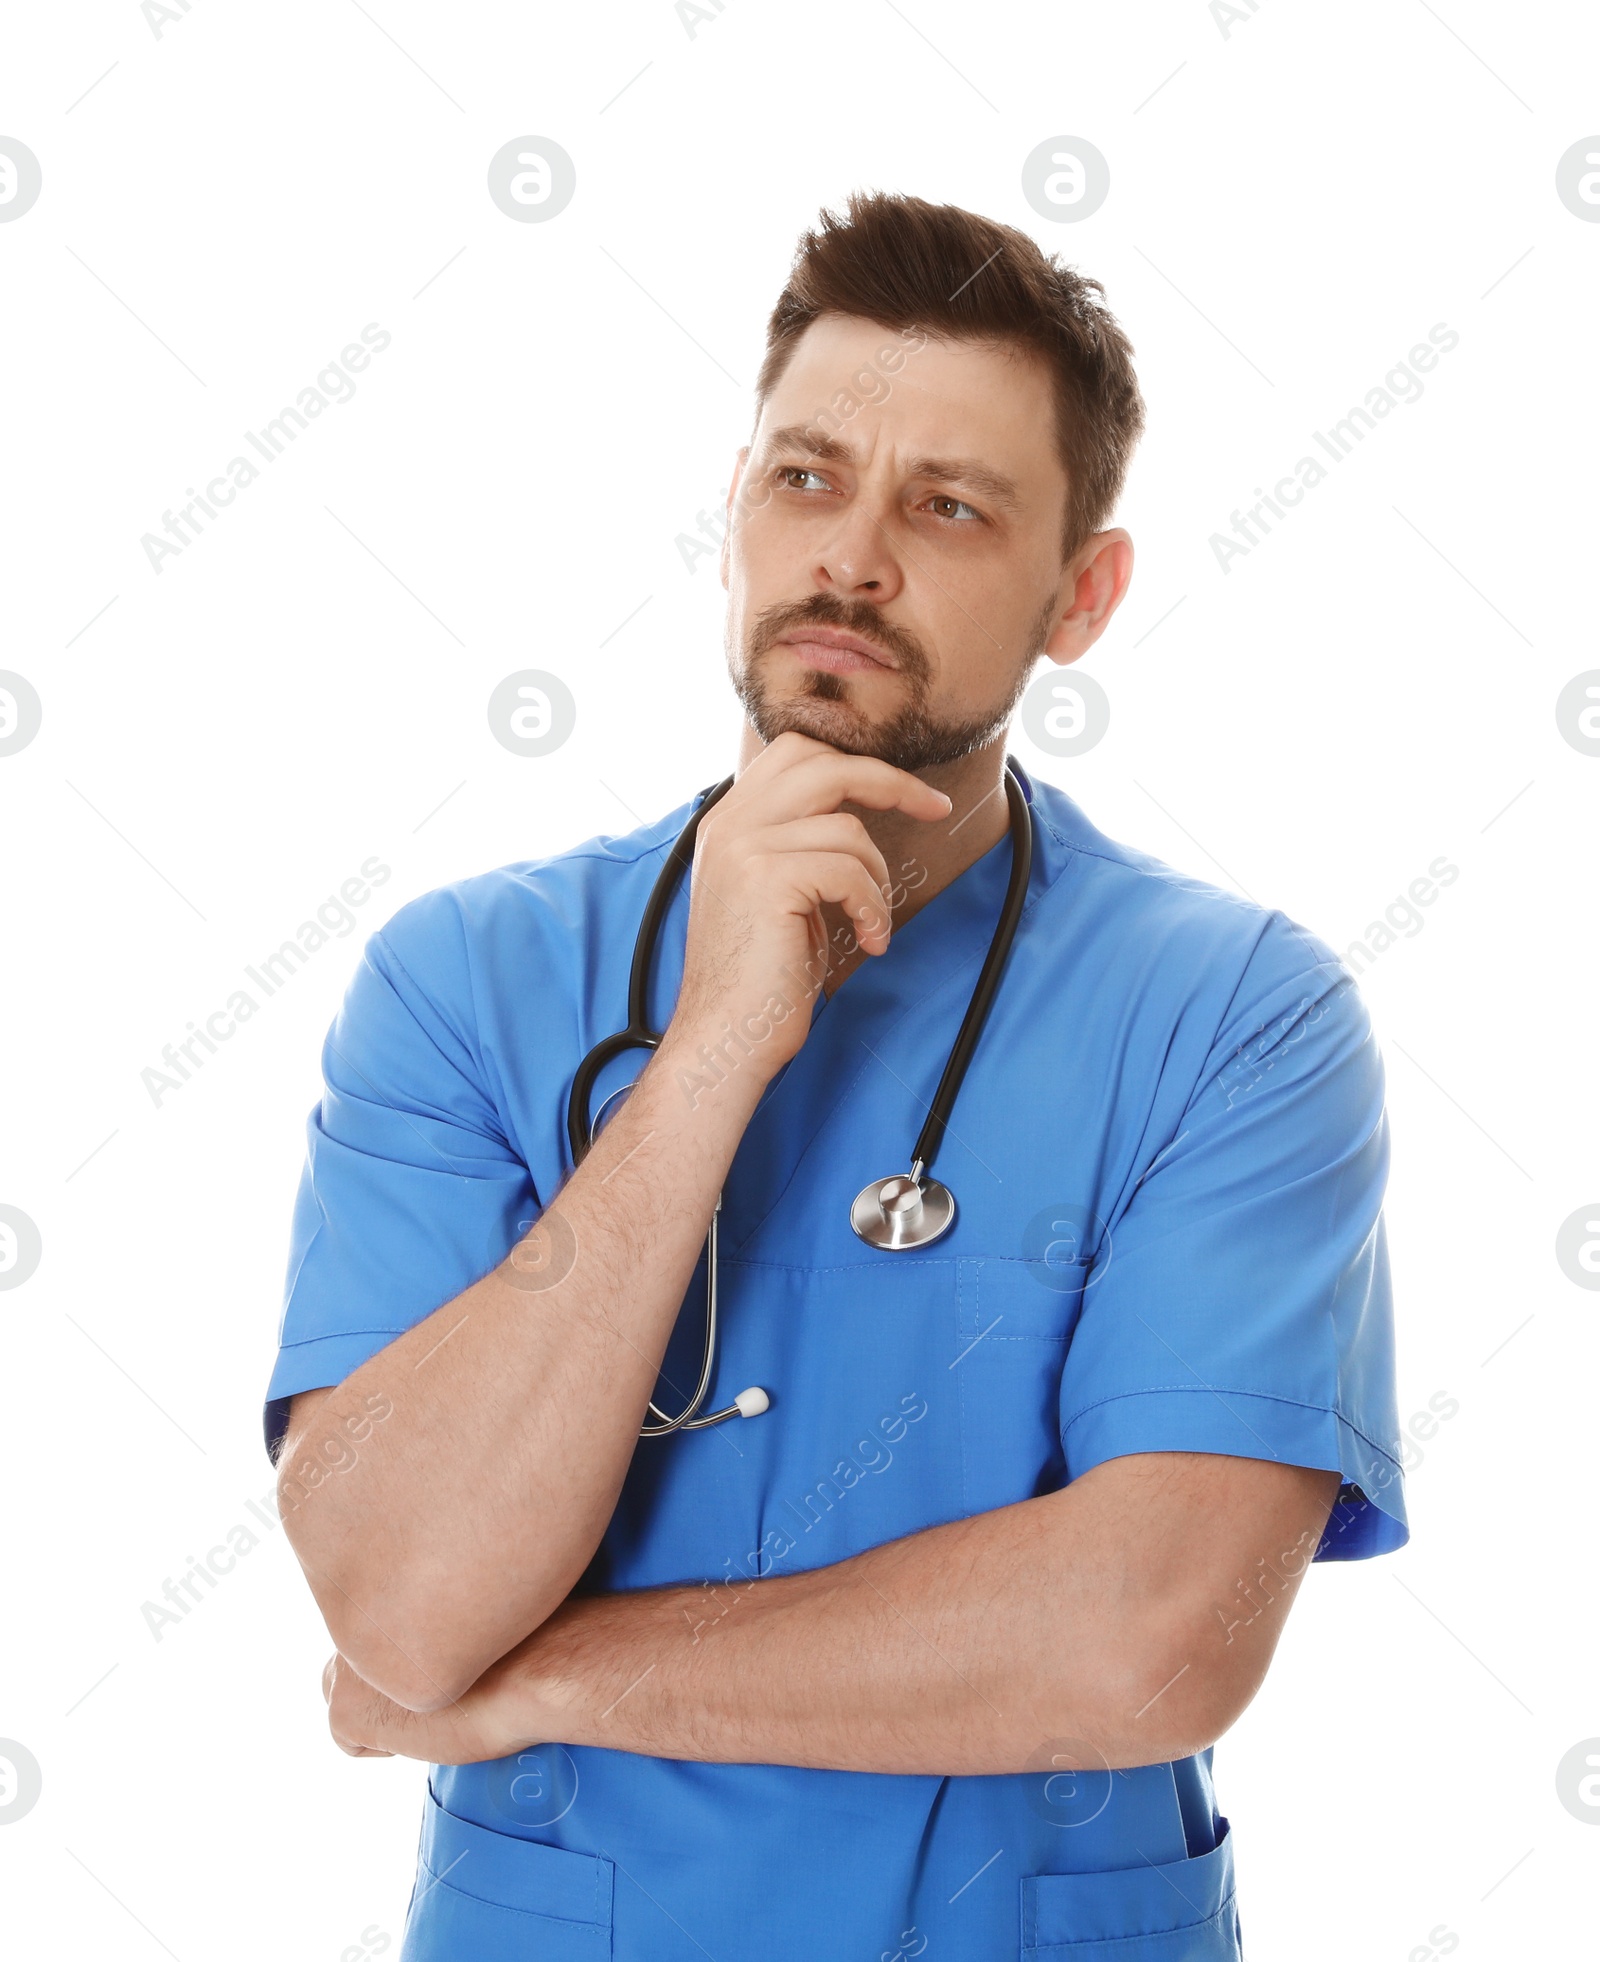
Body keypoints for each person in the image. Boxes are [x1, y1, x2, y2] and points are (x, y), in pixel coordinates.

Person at [264, 191, 1407, 1961]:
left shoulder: (1236, 1017)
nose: (852, 559)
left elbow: (1152, 1638)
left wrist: (547, 1676)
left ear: (1081, 594)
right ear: (736, 505)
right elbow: (403, 1605)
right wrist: (719, 1041)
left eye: (948, 507)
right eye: (807, 477)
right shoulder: (466, 979)